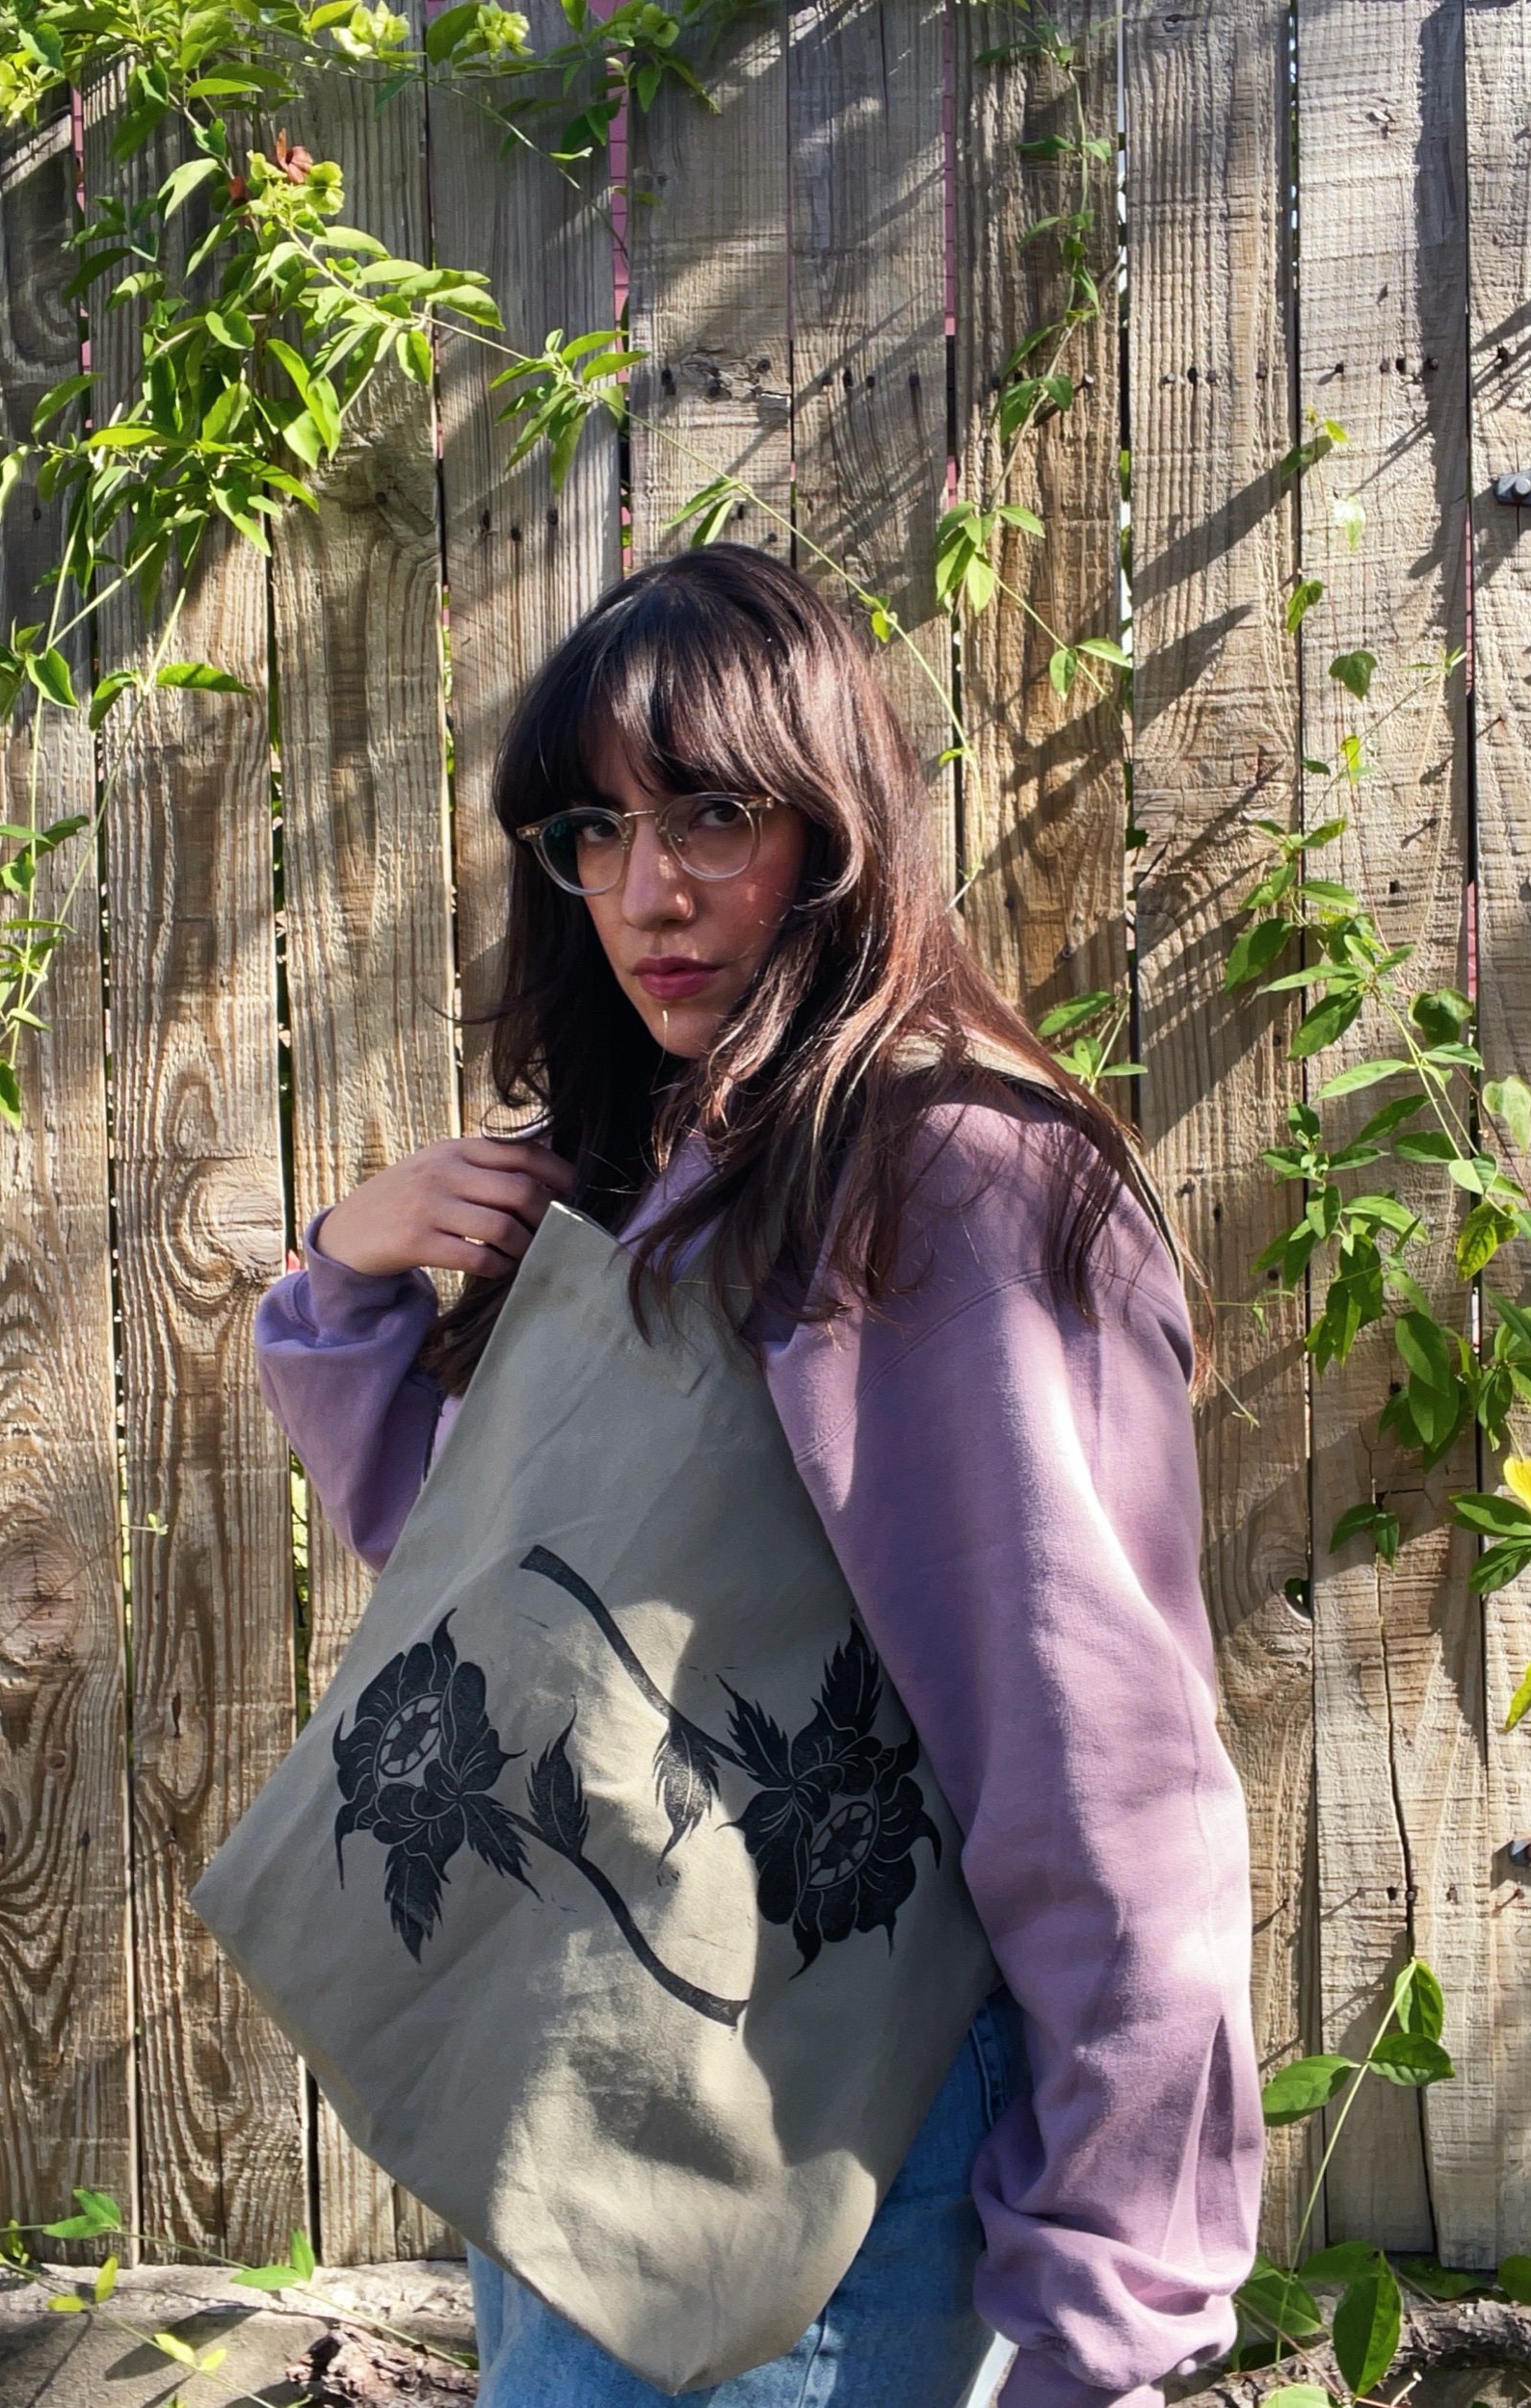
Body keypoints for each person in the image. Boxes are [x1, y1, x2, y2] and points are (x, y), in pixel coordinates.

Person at [254, 543, 1262, 2408]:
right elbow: (498, 1600)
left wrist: (1112, 2299)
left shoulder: (941, 1187)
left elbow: (1095, 1770)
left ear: (832, 822)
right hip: (593, 2098)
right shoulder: (677, 1153)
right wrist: (346, 1277)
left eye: (711, 814)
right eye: (595, 830)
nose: (649, 890)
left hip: (808, 2148)